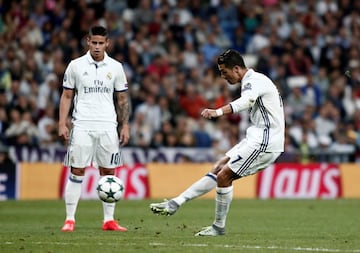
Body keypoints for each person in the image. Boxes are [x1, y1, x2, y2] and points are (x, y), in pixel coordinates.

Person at [150, 49, 285, 236]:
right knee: (218, 168)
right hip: (255, 136)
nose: (223, 76)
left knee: (224, 177)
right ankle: (176, 202)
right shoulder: (252, 80)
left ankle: (218, 227)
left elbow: (246, 101)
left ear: (236, 69)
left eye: (224, 72)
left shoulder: (254, 81)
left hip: (265, 141)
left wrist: (217, 112)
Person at [58, 26, 130, 232]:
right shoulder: (75, 66)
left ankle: (109, 220)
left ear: (107, 43)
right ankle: (69, 220)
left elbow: (122, 99)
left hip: (108, 125)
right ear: (88, 41)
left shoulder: (116, 67)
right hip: (82, 124)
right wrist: (62, 122)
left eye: (101, 43)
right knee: (77, 170)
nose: (97, 47)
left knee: (108, 171)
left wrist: (125, 124)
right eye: (94, 42)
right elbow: (67, 96)